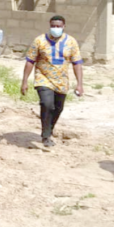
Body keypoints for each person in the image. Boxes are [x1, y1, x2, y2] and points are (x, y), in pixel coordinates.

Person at [21, 15, 84, 147]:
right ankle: (45, 136)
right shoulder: (39, 41)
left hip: (62, 81)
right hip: (43, 78)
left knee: (58, 108)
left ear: (63, 27)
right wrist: (25, 81)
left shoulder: (71, 42)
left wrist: (79, 84)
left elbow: (77, 63)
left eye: (58, 26)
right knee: (47, 103)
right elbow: (30, 61)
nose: (55, 28)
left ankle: (48, 130)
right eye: (53, 26)